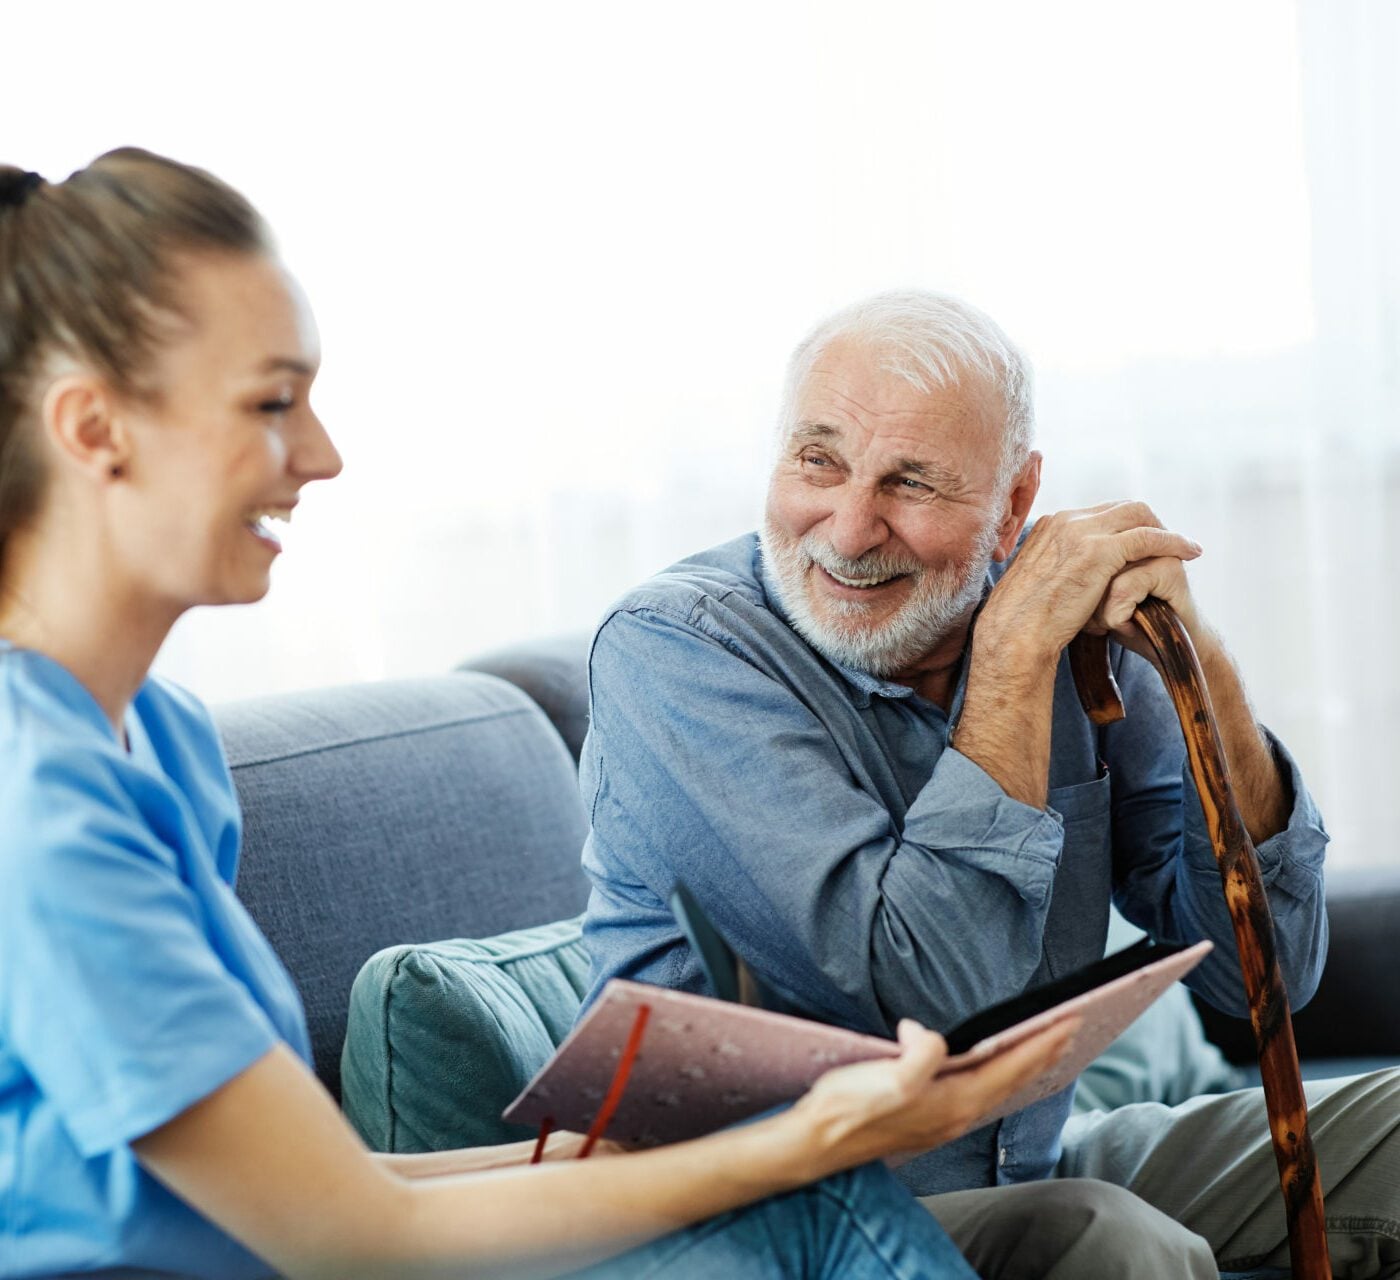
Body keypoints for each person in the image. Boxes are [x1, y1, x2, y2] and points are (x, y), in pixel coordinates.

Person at [0, 153, 1079, 1280]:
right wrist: (816, 1132)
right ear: (92, 428)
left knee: (801, 1200)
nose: (322, 455)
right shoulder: (35, 798)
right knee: (811, 1206)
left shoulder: (155, 737)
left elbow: (319, 1185)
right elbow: (346, 1237)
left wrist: (593, 1165)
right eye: (272, 402)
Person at [577, 289, 1400, 1278]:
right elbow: (927, 998)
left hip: (1028, 1165)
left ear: (1013, 502)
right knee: (1105, 1234)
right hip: (786, 1227)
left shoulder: (1063, 625)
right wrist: (1011, 658)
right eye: (817, 460)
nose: (845, 528)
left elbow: (1259, 974)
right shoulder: (675, 654)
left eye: (910, 481)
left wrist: (1199, 654)